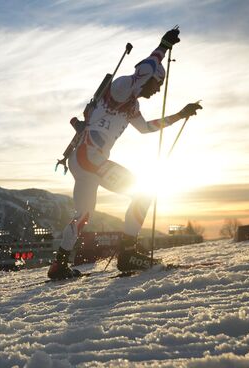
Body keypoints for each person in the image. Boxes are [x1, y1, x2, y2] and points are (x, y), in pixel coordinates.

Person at [48, 28, 202, 280]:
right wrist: (162, 47)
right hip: (91, 157)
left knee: (84, 214)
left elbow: (145, 128)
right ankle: (128, 251)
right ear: (146, 78)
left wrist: (178, 115)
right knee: (143, 192)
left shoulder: (132, 104)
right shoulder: (123, 87)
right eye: (156, 84)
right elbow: (143, 69)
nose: (157, 90)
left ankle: (60, 264)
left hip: (83, 159)